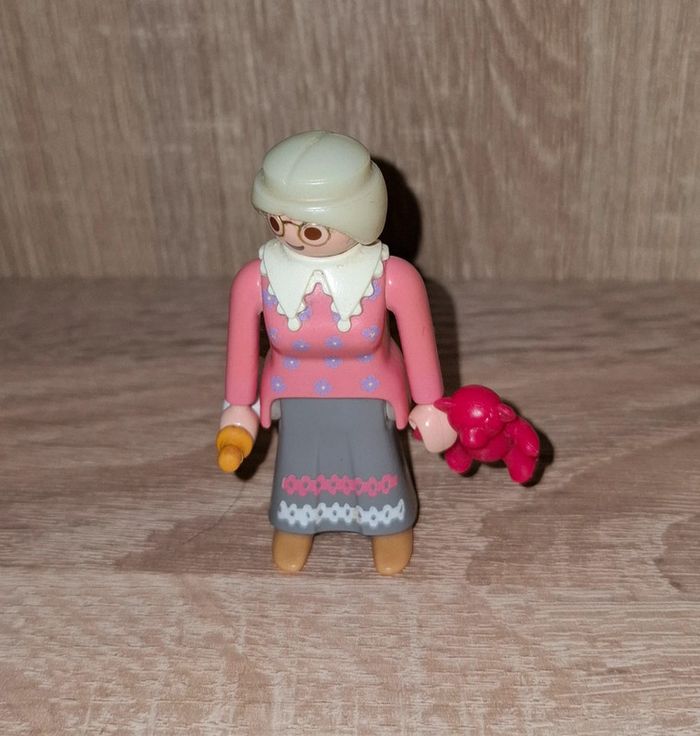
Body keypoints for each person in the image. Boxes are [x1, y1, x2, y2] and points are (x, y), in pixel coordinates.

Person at [217, 131, 456, 575]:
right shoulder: (257, 279)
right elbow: (241, 349)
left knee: (373, 459)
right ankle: (296, 522)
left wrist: (431, 405)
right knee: (298, 462)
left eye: (310, 229)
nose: (293, 238)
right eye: (278, 223)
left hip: (369, 395)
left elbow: (420, 344)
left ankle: (387, 525)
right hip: (294, 397)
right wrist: (237, 406)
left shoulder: (390, 277)